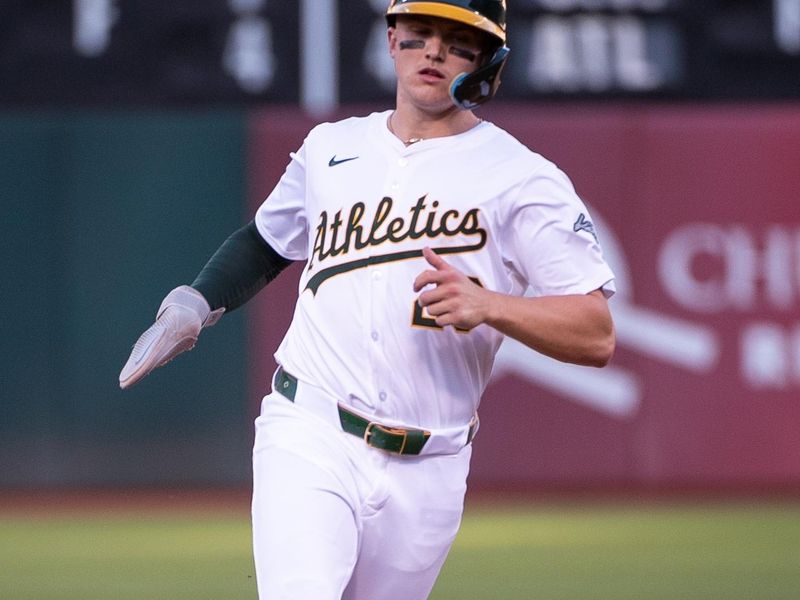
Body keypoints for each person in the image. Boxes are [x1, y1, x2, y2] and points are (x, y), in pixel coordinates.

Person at [119, 1, 616, 598]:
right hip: (310, 428)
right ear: (390, 39)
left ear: (489, 61)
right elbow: (267, 241)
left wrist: (493, 306)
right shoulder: (331, 146)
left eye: (457, 41)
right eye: (419, 33)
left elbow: (595, 331)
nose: (433, 51)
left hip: (431, 461)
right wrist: (193, 305)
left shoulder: (522, 176)